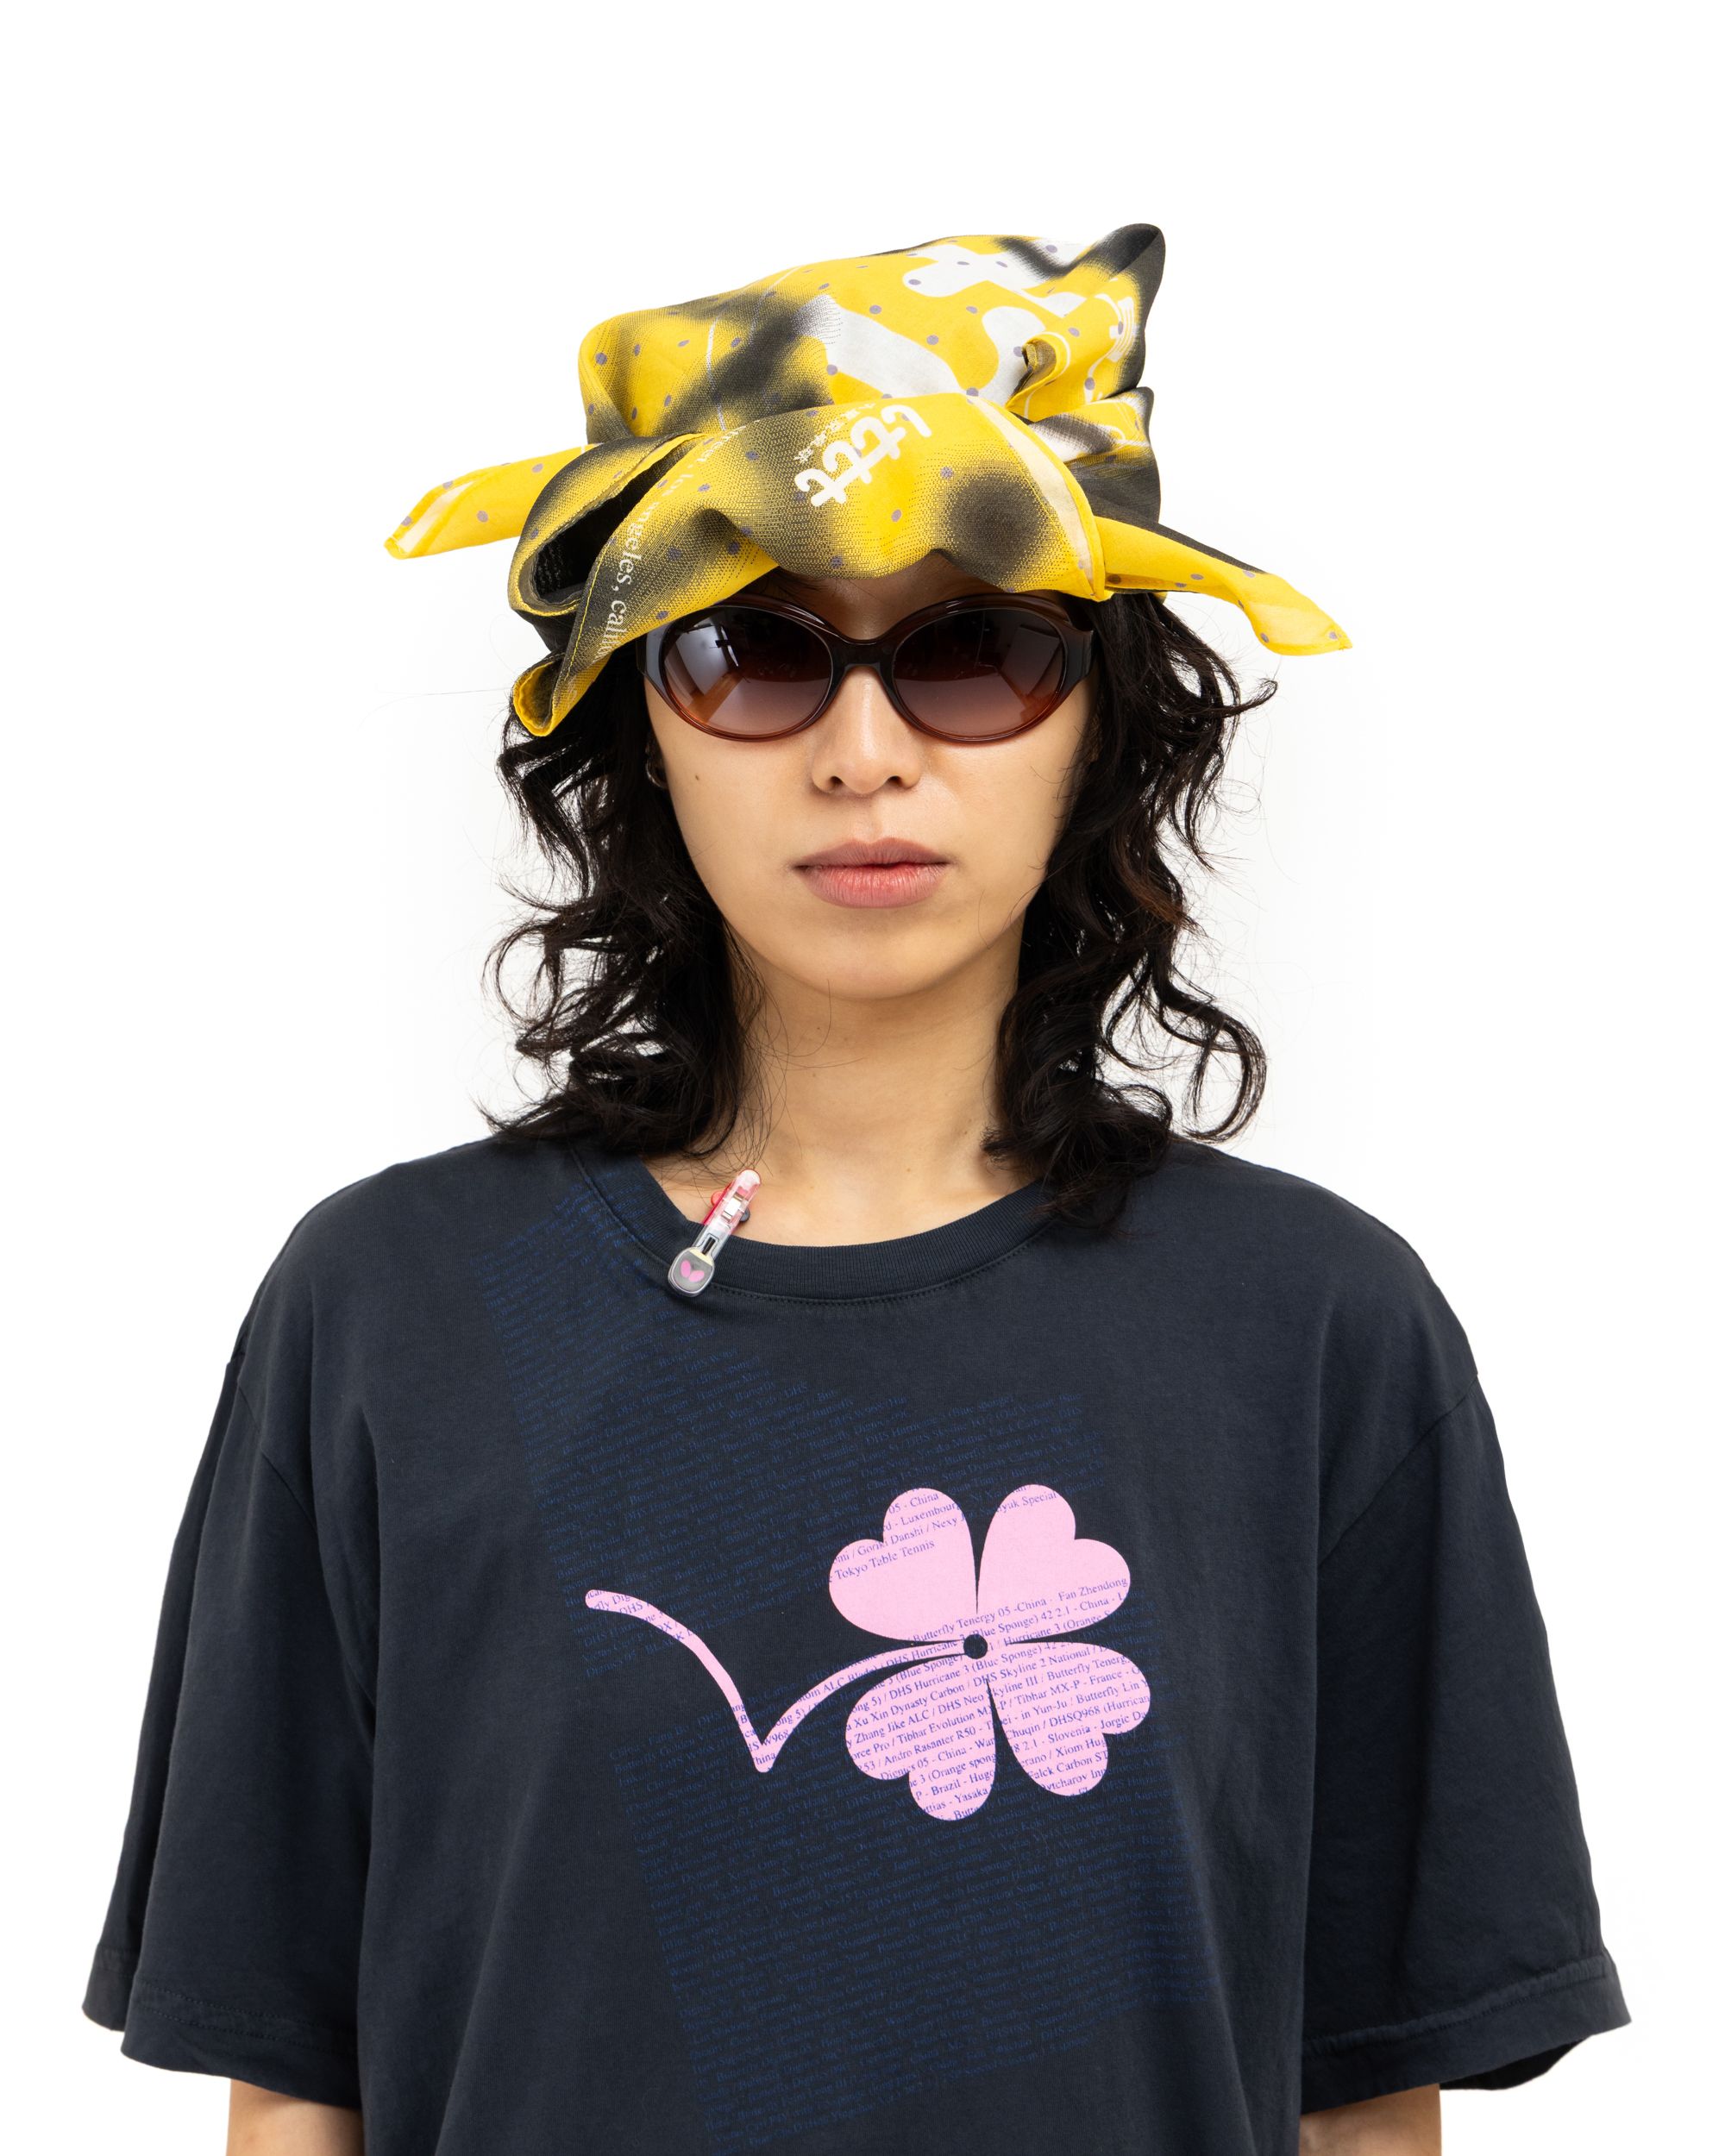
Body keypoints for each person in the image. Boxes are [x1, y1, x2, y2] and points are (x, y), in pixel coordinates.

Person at [82, 226, 1628, 2156]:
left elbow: (1365, 2099)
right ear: (639, 717)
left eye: (975, 650)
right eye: (756, 655)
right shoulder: (389, 1307)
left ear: (1098, 717)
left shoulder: (1319, 1329)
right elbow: (293, 2078)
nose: (865, 753)